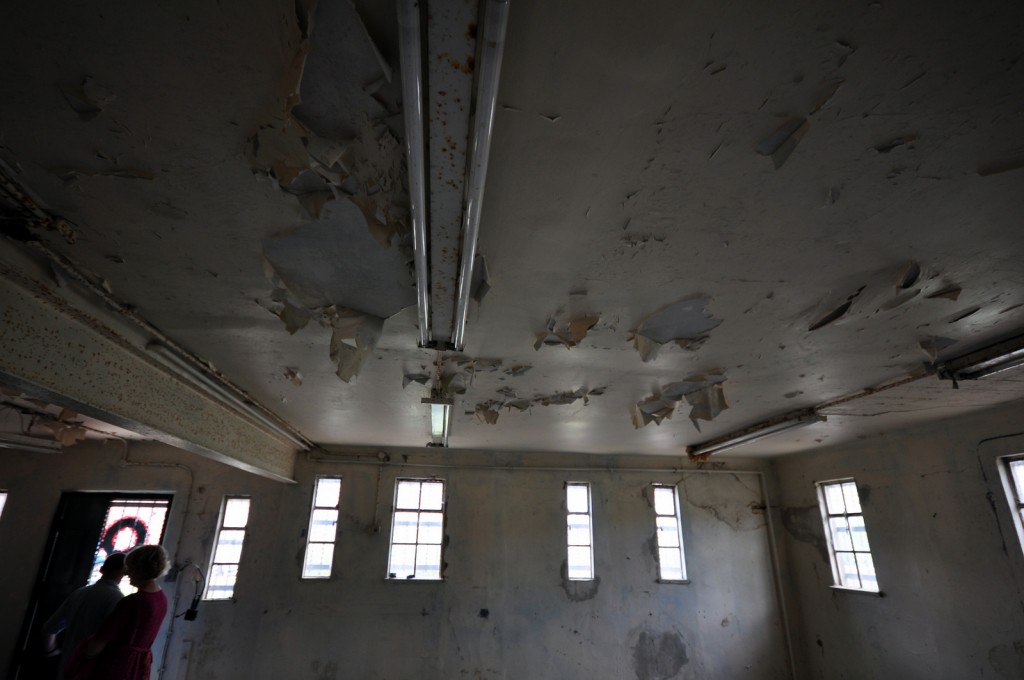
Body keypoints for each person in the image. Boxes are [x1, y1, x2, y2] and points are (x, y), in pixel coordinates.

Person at [70, 544, 170, 680]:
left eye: (130, 568)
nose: (126, 574)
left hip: (117, 666)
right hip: (139, 666)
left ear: (139, 569)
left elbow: (97, 646)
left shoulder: (133, 601)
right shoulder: (162, 599)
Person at [42, 552, 127, 678]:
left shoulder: (79, 593)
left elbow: (49, 628)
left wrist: (51, 652)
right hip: (92, 669)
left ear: (102, 569)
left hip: (67, 666)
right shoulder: (117, 599)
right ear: (124, 572)